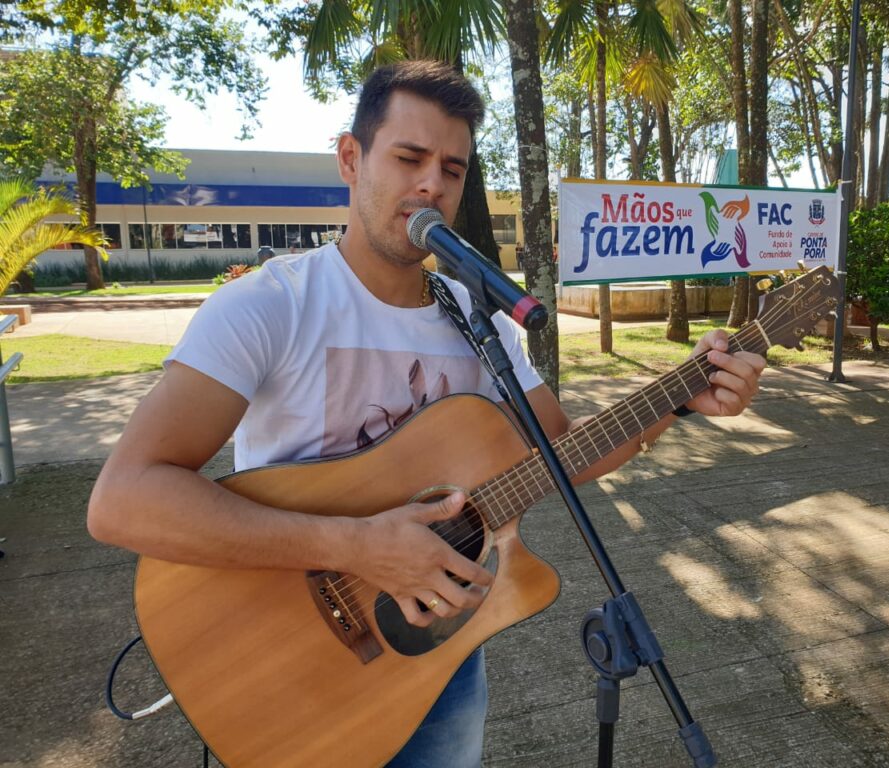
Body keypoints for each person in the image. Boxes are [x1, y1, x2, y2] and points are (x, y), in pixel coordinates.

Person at [87, 60, 765, 767]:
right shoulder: (269, 306)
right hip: (286, 657)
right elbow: (124, 502)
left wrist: (679, 399)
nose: (431, 186)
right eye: (409, 158)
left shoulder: (476, 318)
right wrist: (355, 547)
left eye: (452, 168)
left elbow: (561, 452)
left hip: (439, 653)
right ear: (351, 159)